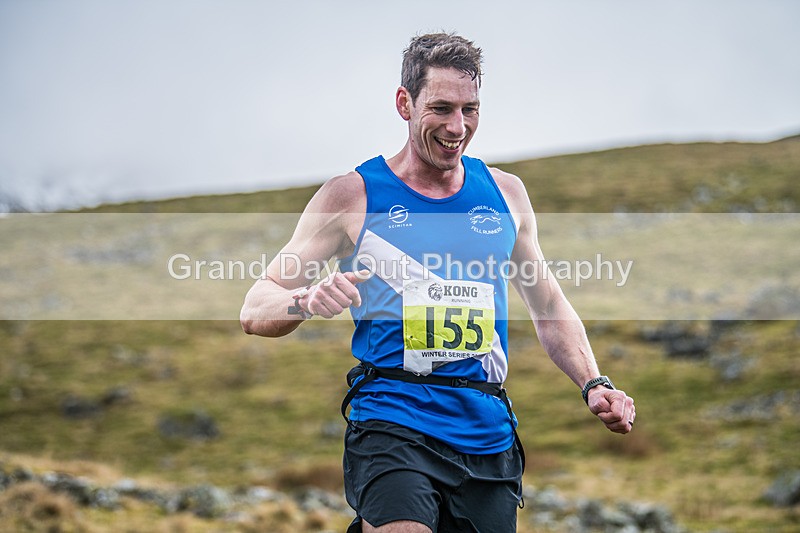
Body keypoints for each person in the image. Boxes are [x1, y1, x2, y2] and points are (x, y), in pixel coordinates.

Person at [241, 32, 635, 533]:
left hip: (485, 431)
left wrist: (594, 383)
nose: (457, 127)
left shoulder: (506, 195)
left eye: (470, 110)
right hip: (393, 419)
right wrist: (304, 298)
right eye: (442, 109)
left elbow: (549, 305)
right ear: (404, 104)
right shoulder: (352, 196)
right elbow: (255, 307)